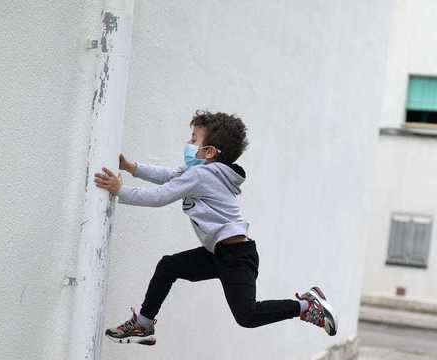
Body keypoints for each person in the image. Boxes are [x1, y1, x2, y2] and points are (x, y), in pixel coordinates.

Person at [94, 110, 338, 345]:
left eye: (194, 139)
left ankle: (307, 306)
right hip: (219, 254)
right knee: (168, 266)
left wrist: (120, 191)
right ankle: (144, 324)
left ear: (209, 151)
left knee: (248, 316)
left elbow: (160, 196)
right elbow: (169, 176)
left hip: (236, 257)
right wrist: (131, 167)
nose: (188, 143)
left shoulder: (202, 176)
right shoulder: (202, 172)